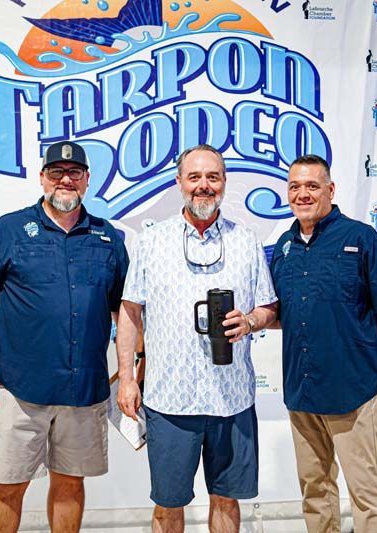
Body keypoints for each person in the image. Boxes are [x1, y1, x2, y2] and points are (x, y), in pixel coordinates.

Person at [0, 140, 129, 533]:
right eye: (57, 172)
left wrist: (130, 371)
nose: (65, 180)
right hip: (22, 388)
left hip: (84, 389)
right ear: (42, 178)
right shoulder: (10, 229)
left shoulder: (107, 237)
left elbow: (125, 309)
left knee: (70, 484)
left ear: (87, 179)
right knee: (7, 486)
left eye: (74, 173)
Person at [116, 145, 278, 533]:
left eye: (213, 177)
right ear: (179, 183)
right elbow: (130, 311)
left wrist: (250, 321)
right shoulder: (151, 241)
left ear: (224, 183)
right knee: (167, 504)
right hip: (169, 399)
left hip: (232, 398)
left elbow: (269, 307)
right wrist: (126, 378)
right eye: (194, 177)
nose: (203, 185)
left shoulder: (246, 240)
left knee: (226, 499)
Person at [269, 155, 377, 533]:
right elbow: (280, 312)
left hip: (353, 392)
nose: (302, 194)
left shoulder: (360, 238)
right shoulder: (283, 246)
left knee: (367, 495)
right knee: (315, 491)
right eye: (295, 187)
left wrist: (364, 352)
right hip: (302, 392)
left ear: (330, 190)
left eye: (312, 186)